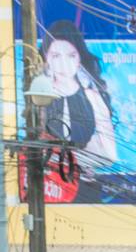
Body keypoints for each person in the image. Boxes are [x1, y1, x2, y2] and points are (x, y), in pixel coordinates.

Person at [40, 19, 117, 202]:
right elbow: (33, 148)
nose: (63, 63)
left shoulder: (93, 97)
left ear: (79, 58)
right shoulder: (40, 97)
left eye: (71, 55)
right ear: (47, 58)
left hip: (85, 189)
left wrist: (76, 159)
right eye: (56, 56)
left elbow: (110, 154)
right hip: (49, 189)